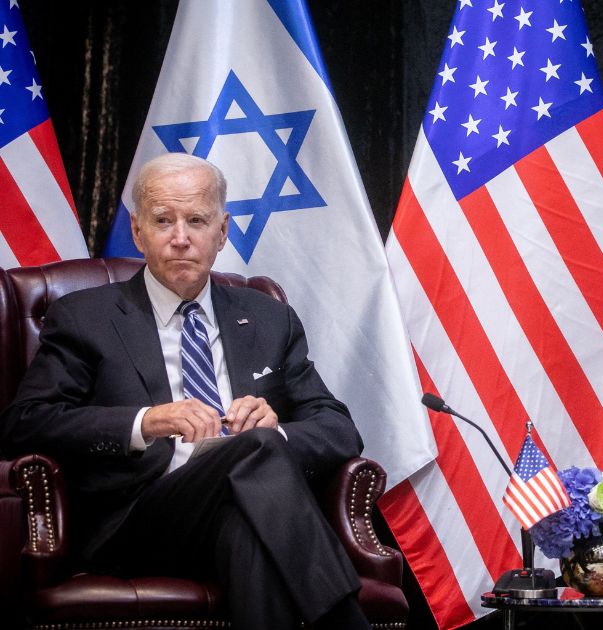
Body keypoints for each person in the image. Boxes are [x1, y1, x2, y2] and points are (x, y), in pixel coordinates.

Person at [0, 153, 370, 629]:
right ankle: (346, 618)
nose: (180, 238)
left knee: (247, 514)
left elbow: (339, 428)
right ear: (137, 232)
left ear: (222, 231)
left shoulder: (267, 317)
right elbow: (24, 422)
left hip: (242, 511)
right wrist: (144, 422)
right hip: (138, 522)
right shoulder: (83, 317)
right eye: (162, 221)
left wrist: (275, 433)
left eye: (197, 220)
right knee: (252, 451)